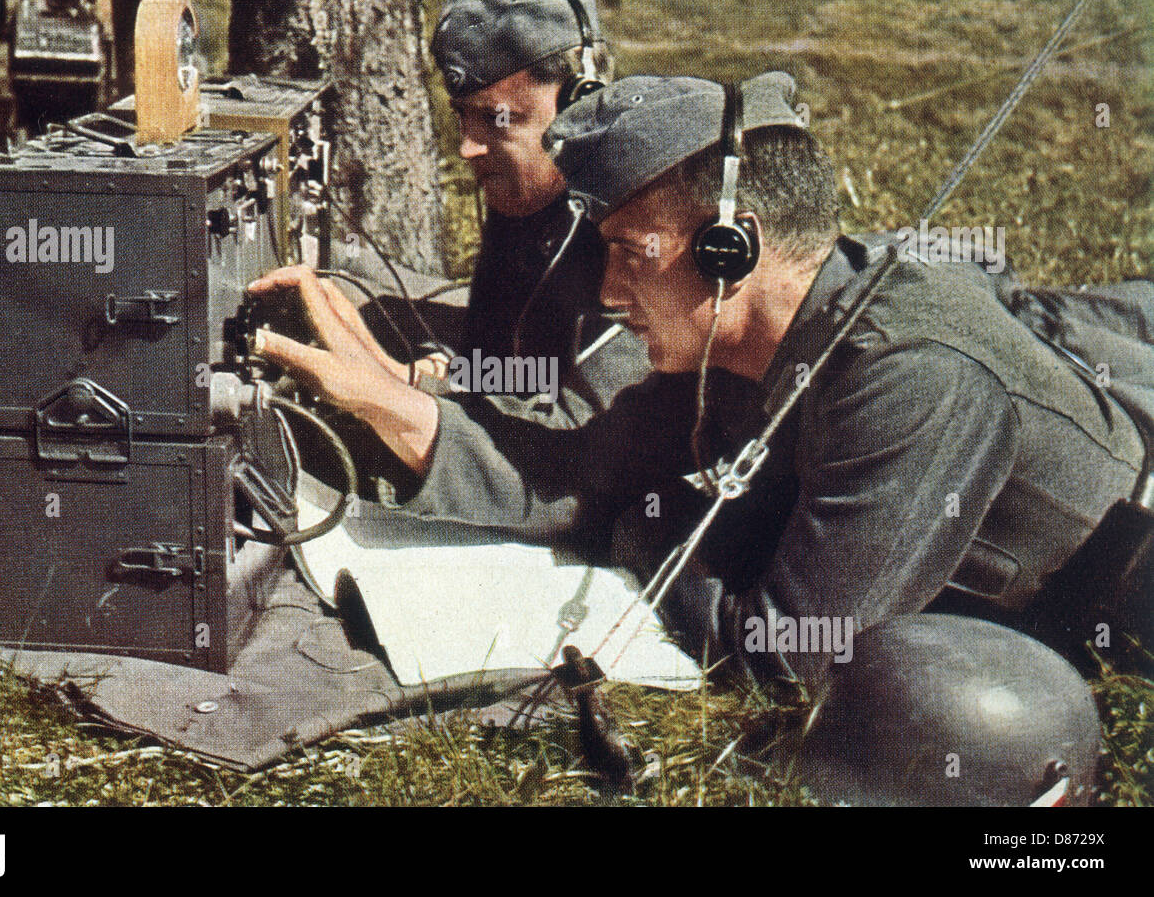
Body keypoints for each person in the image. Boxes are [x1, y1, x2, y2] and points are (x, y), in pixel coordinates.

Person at [254, 72, 1154, 804]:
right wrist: (394, 403)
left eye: (630, 253)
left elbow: (791, 658)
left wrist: (647, 533)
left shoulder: (909, 375)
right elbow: (584, 469)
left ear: (730, 248)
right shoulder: (749, 337)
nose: (608, 291)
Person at [254, 0, 651, 425]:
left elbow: (574, 456)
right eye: (462, 115)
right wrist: (426, 377)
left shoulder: (636, 230)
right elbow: (505, 371)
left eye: (498, 120)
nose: (468, 148)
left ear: (582, 104)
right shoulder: (533, 193)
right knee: (350, 276)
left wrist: (388, 384)